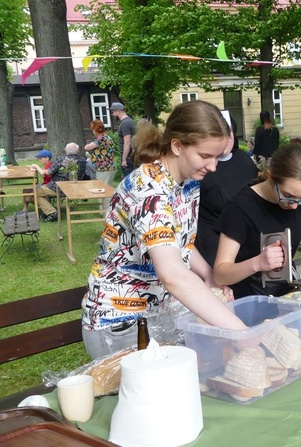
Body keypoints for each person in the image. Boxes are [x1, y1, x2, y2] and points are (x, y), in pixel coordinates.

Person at [81, 100, 248, 360]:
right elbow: (173, 275)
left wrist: (209, 275)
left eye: (218, 156)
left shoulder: (187, 183)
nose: (213, 166)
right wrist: (241, 333)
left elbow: (179, 241)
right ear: (177, 145)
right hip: (120, 324)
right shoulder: (149, 191)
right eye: (205, 156)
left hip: (156, 315)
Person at [212, 142, 301, 298]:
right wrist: (257, 263)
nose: (295, 206)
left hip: (285, 297)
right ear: (270, 177)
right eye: (287, 196)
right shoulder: (240, 208)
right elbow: (220, 274)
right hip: (247, 302)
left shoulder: (299, 198)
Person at [196, 133, 258, 267]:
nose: (212, 166)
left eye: (230, 135)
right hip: (210, 235)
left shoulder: (243, 159)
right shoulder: (198, 170)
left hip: (240, 233)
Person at [28, 143, 87, 222]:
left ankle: (51, 212)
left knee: (34, 192)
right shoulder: (83, 161)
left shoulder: (61, 159)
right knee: (41, 190)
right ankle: (48, 211)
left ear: (66, 151)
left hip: (57, 188)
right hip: (73, 189)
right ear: (78, 151)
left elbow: (49, 173)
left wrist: (42, 170)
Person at [18, 149, 52, 215]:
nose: (39, 160)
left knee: (27, 191)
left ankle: (27, 208)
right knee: (26, 189)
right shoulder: (47, 164)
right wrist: (35, 169)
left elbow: (43, 174)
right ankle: (26, 208)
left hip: (47, 186)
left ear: (47, 158)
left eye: (41, 158)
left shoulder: (49, 164)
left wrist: (37, 166)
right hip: (46, 184)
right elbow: (45, 176)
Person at [84, 119, 116, 187]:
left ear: (95, 130)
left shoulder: (100, 139)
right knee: (109, 189)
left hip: (103, 168)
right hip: (110, 167)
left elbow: (87, 147)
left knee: (103, 190)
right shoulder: (108, 137)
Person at [110, 102, 136, 178]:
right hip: (132, 156)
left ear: (118, 111)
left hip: (128, 158)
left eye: (113, 112)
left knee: (128, 181)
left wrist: (124, 159)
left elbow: (127, 142)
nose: (113, 114)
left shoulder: (125, 124)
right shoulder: (130, 121)